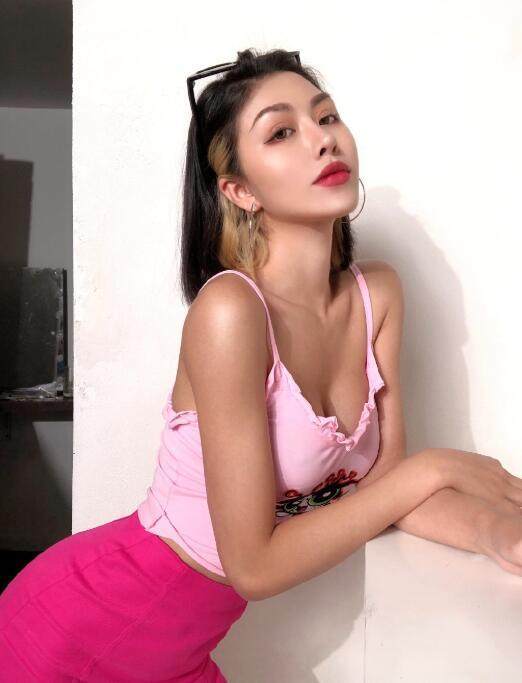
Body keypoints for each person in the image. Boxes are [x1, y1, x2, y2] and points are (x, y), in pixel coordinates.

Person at [1, 46, 522, 682]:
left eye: (326, 117)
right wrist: (437, 467)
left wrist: (500, 533)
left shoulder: (378, 295)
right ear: (239, 190)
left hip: (178, 651)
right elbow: (253, 566)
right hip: (74, 635)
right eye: (281, 132)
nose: (323, 140)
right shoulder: (231, 311)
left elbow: (385, 495)